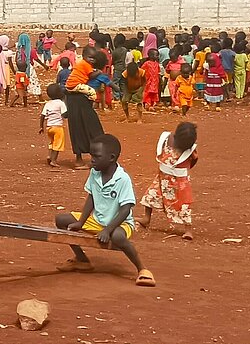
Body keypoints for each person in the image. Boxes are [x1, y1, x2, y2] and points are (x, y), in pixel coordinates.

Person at [55, 133, 154, 287]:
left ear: (112, 158)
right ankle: (82, 260)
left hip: (120, 223)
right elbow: (91, 198)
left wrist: (108, 230)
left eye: (97, 156)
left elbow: (126, 210)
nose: (92, 159)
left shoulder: (122, 179)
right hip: (97, 220)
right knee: (61, 221)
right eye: (91, 155)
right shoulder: (95, 172)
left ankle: (142, 269)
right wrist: (81, 222)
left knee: (118, 237)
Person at [138, 122, 199, 241]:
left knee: (184, 205)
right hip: (164, 179)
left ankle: (188, 229)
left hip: (179, 182)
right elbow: (194, 161)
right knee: (151, 195)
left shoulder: (172, 142)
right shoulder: (167, 139)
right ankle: (146, 219)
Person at [64, 46, 106, 167]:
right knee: (92, 129)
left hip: (75, 100)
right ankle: (90, 158)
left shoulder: (83, 68)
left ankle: (81, 159)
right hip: (81, 101)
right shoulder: (91, 70)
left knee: (78, 128)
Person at [39, 83, 68, 167]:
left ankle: (49, 156)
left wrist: (41, 127)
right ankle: (54, 160)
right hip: (58, 127)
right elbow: (64, 115)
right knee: (58, 144)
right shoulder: (61, 103)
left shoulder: (48, 103)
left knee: (52, 142)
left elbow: (42, 115)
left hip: (49, 127)